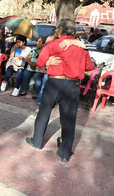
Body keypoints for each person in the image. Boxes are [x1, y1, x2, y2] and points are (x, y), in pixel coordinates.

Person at [26, 19, 95, 163]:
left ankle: (37, 141)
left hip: (54, 83)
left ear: (60, 30)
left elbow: (39, 63)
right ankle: (64, 154)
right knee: (69, 120)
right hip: (72, 85)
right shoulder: (81, 47)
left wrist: (48, 61)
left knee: (44, 112)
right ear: (74, 32)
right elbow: (89, 67)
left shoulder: (53, 44)